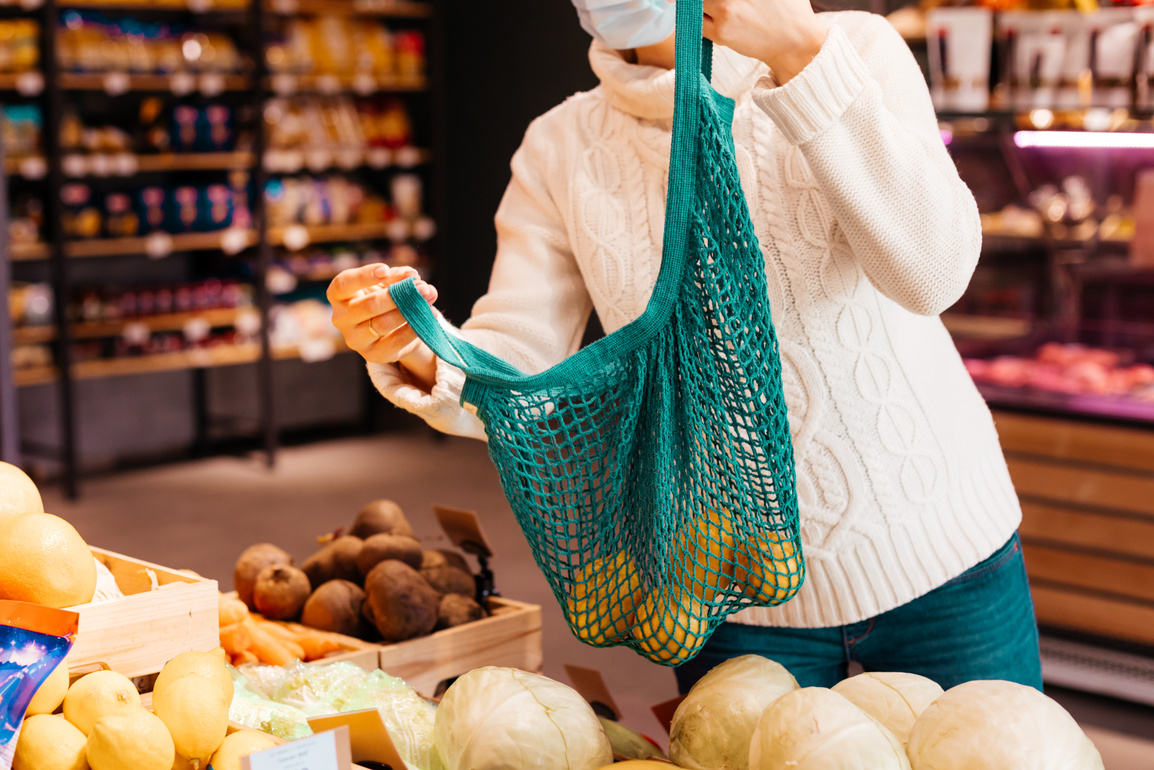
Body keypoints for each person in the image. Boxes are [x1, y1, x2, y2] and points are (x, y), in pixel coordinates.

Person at [328, 0, 1043, 694]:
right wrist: (419, 349)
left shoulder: (853, 48)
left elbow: (934, 274)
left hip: (943, 559)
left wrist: (801, 58)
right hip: (735, 593)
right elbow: (518, 369)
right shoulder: (560, 146)